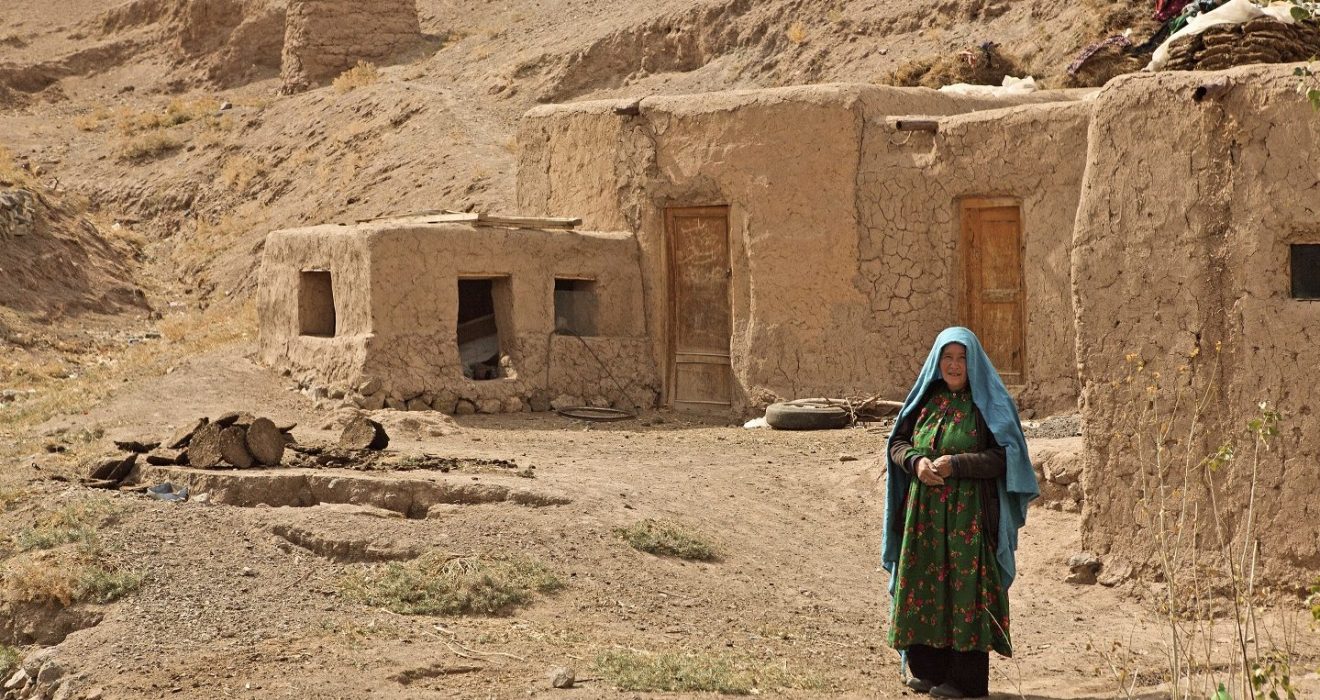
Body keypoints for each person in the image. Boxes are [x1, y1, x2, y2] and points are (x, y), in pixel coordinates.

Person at [881, 327, 1038, 699]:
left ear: (973, 363)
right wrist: (917, 462)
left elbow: (1006, 457)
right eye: (947, 358)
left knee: (965, 592)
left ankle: (966, 683)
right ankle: (929, 669)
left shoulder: (988, 404)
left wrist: (958, 464)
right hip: (925, 520)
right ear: (937, 362)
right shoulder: (925, 399)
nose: (954, 365)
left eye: (961, 358)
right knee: (926, 586)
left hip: (969, 521)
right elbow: (897, 444)